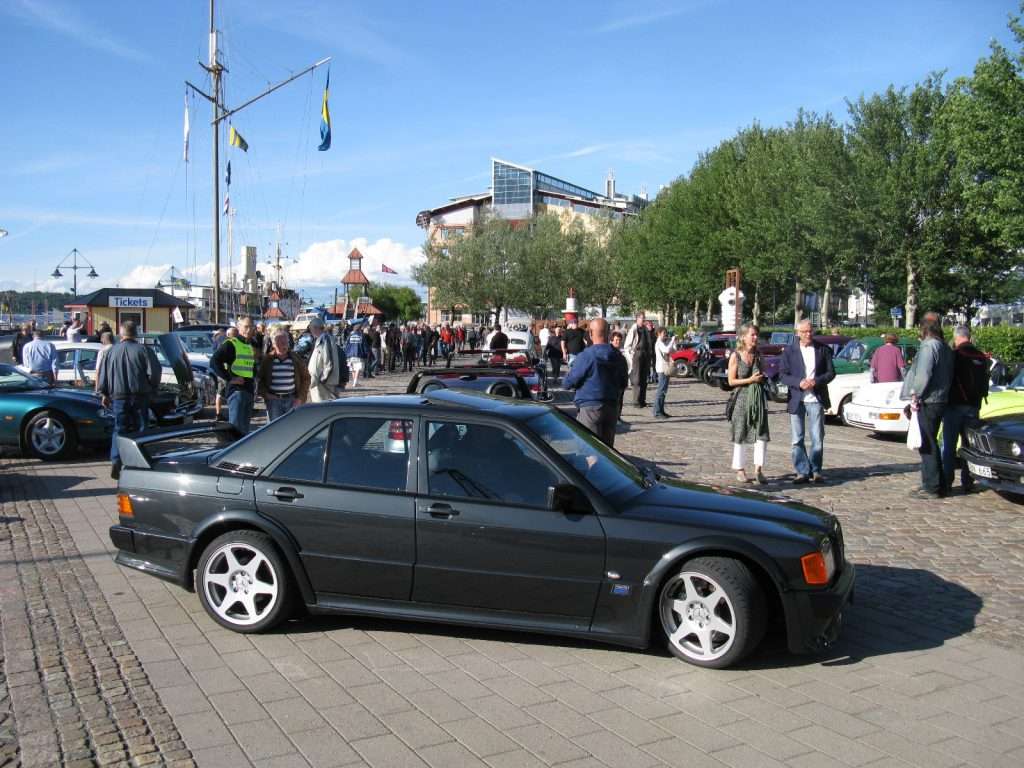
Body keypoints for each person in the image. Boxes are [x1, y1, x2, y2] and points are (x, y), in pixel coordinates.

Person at [97, 321, 161, 479]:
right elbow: (154, 372)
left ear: (121, 333)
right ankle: (140, 462)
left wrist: (104, 394)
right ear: (136, 333)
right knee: (141, 428)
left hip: (118, 396)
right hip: (140, 395)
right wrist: (152, 388)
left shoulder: (110, 352)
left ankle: (116, 459)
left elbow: (103, 376)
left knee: (119, 428)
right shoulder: (144, 350)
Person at [902, 315, 954, 499]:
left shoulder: (929, 346)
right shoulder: (945, 346)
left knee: (927, 444)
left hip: (929, 399)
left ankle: (931, 487)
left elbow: (923, 374)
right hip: (940, 399)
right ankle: (939, 484)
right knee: (931, 441)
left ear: (923, 329)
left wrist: (915, 395)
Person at [779, 319, 836, 484]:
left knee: (817, 437)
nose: (808, 334)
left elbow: (831, 373)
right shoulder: (790, 351)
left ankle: (816, 470)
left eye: (810, 331)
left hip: (815, 398)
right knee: (797, 438)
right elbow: (782, 374)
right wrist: (798, 382)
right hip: (797, 399)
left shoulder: (822, 350)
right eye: (804, 332)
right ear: (798, 333)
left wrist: (816, 381)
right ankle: (801, 471)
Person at [563, 318, 629, 447]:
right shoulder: (619, 357)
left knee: (590, 450)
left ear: (591, 334)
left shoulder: (587, 356)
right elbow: (624, 383)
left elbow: (568, 383)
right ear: (609, 334)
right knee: (607, 452)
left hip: (590, 406)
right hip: (611, 406)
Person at [942, 325, 988, 494]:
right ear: (969, 337)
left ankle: (946, 481)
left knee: (949, 445)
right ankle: (968, 481)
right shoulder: (981, 356)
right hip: (974, 406)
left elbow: (947, 379)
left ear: (956, 337)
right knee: (970, 446)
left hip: (954, 405)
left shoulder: (955, 355)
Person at [728, 323, 770, 484]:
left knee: (761, 434)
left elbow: (763, 372)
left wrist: (762, 377)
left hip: (758, 399)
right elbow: (731, 381)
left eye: (756, 335)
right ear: (743, 337)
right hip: (741, 398)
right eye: (752, 335)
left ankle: (759, 469)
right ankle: (740, 469)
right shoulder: (736, 356)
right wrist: (750, 380)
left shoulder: (759, 355)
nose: (755, 338)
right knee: (741, 433)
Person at [211, 316, 257, 434]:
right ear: (238, 327)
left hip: (248, 391)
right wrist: (230, 378)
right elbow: (214, 361)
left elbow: (251, 368)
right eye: (246, 327)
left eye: (251, 327)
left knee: (245, 431)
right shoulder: (231, 344)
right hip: (237, 392)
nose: (249, 330)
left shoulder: (249, 345)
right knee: (235, 429)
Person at [258, 329, 310, 421]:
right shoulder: (268, 359)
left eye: (286, 342)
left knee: (291, 430)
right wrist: (266, 394)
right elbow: (260, 379)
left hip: (292, 400)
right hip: (274, 402)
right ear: (274, 345)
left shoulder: (295, 358)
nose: (284, 345)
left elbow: (306, 378)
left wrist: (300, 398)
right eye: (280, 342)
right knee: (274, 429)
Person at [308, 317, 344, 401]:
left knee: (323, 408)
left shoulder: (325, 339)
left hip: (323, 384)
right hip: (318, 382)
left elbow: (329, 362)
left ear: (316, 327)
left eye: (311, 328)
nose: (310, 330)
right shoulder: (320, 339)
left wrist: (323, 380)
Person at [624, 312, 653, 408]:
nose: (643, 320)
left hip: (645, 354)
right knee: (637, 379)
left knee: (644, 379)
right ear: (637, 319)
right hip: (637, 354)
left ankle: (642, 400)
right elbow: (627, 346)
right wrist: (631, 356)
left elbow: (649, 342)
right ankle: (636, 401)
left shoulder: (645, 329)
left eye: (644, 318)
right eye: (642, 318)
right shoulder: (634, 329)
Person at [652, 327, 677, 419]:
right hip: (661, 369)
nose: (665, 335)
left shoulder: (664, 342)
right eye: (664, 333)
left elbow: (673, 350)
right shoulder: (659, 343)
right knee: (661, 390)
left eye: (666, 333)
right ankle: (657, 411)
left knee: (664, 391)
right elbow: (666, 350)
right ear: (658, 334)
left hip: (665, 368)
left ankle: (661, 410)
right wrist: (672, 341)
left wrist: (673, 341)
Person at [345, 322, 370, 387]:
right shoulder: (361, 336)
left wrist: (346, 353)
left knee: (353, 368)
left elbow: (347, 345)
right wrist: (367, 352)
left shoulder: (350, 336)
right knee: (358, 368)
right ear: (359, 329)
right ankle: (355, 381)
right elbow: (364, 346)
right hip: (358, 353)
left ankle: (355, 381)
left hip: (350, 354)